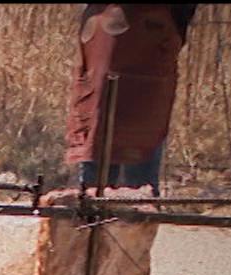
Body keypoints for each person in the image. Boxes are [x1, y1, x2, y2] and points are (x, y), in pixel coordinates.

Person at [67, 4, 197, 194]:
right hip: (104, 44)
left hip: (151, 43)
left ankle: (127, 212)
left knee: (139, 158)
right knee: (99, 140)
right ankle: (93, 214)